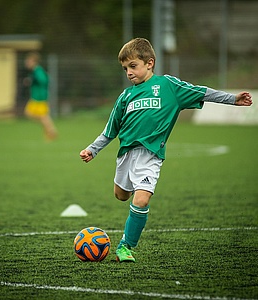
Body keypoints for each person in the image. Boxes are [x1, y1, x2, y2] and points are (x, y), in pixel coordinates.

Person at [79, 38, 253, 263]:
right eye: (125, 69)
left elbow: (201, 92)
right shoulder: (125, 97)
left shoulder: (168, 86)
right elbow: (110, 130)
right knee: (121, 195)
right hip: (126, 155)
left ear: (149, 63)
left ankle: (125, 246)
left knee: (141, 201)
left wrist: (232, 99)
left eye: (133, 66)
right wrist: (93, 150)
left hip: (151, 155)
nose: (129, 72)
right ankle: (134, 197)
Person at [24, 51, 57, 140]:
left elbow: (44, 80)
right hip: (36, 97)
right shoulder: (35, 71)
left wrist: (33, 80)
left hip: (39, 97)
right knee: (34, 115)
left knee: (40, 116)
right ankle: (50, 130)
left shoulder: (37, 70)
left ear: (34, 61)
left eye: (29, 61)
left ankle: (51, 131)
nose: (27, 63)